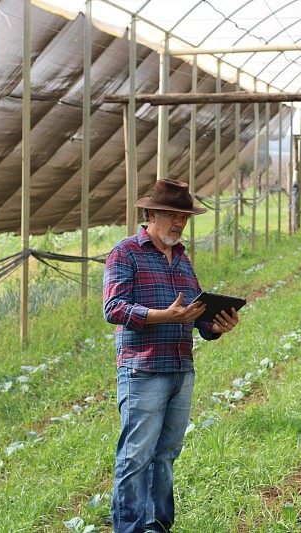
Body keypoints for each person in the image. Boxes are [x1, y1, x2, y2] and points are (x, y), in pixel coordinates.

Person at [103, 178, 240, 533]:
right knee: (135, 457)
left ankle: (158, 526)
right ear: (150, 214)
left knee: (165, 456)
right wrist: (162, 316)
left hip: (181, 368)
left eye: (184, 217)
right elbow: (114, 309)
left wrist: (216, 325)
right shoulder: (126, 253)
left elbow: (195, 314)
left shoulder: (181, 259)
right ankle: (129, 528)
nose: (178, 223)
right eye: (171, 215)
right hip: (144, 370)